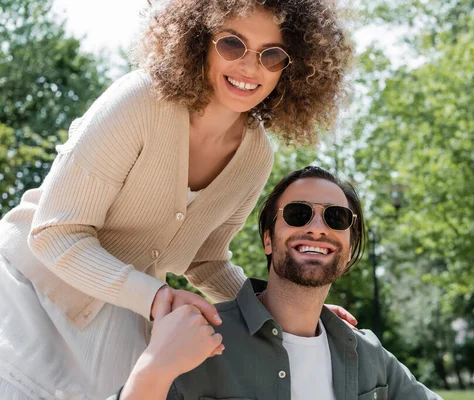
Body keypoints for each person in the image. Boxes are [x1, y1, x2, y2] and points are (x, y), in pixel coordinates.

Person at [0, 1, 354, 399]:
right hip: (27, 300)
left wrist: (290, 313)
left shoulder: (256, 157)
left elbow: (206, 258)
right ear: (199, 40)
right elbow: (54, 232)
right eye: (233, 45)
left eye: (271, 55)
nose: (250, 68)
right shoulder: (140, 101)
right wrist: (156, 297)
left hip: (121, 322)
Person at [113, 166, 443, 400]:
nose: (318, 228)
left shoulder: (367, 352)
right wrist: (154, 369)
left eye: (336, 218)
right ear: (268, 240)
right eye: (298, 214)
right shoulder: (198, 338)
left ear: (348, 248)